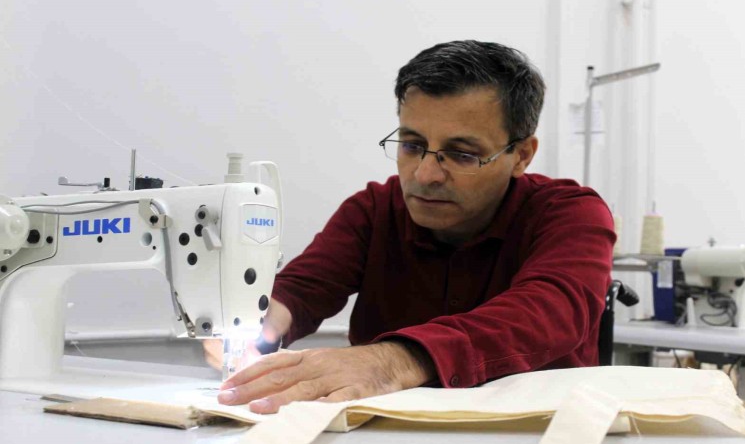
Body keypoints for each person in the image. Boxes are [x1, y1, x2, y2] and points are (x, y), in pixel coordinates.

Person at [208, 40, 615, 414]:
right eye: (412, 145)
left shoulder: (570, 214)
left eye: (462, 154)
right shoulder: (373, 210)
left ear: (522, 155)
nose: (424, 175)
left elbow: (547, 312)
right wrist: (259, 324)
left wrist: (396, 360)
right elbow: (302, 289)